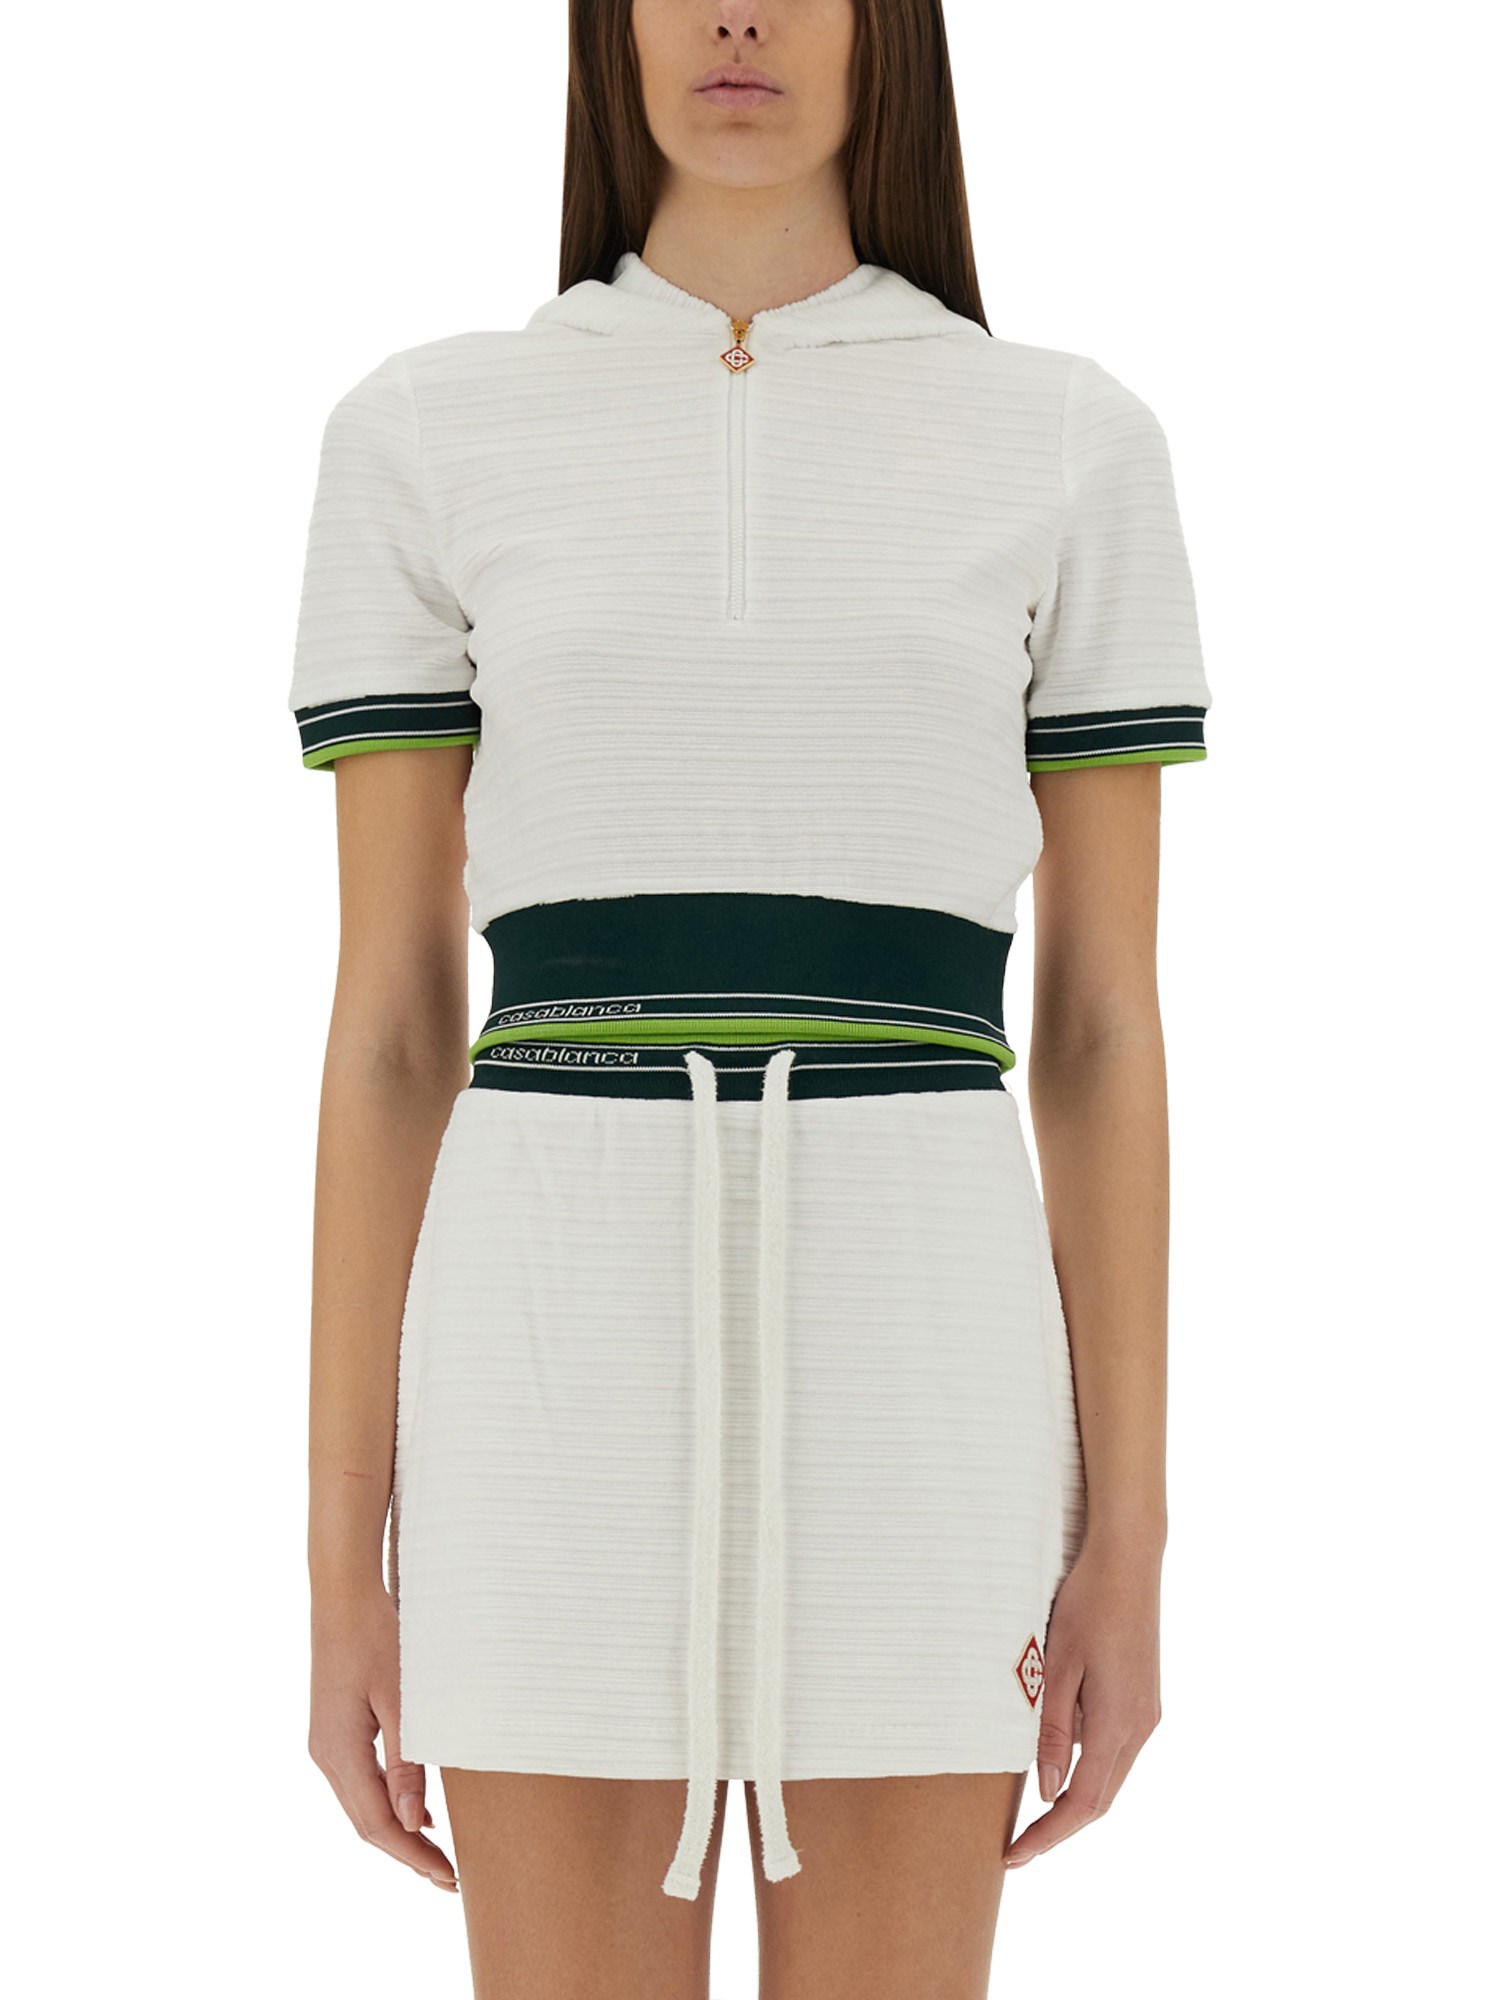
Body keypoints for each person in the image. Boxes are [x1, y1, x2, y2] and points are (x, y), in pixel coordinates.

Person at [287, 2, 1211, 1993]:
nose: (735, 16)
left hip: (929, 1355)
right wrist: (340, 1558)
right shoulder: (427, 430)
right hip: (541, 1353)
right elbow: (390, 1029)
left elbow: (1101, 1030)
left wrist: (1129, 1531)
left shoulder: (1067, 439)